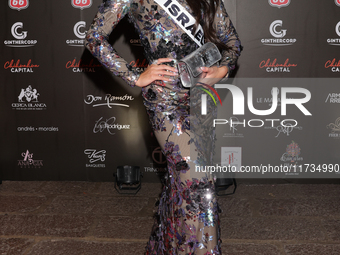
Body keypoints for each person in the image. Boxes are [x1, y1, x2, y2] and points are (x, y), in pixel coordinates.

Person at [85, 0, 241, 254]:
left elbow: (232, 40)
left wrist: (223, 68)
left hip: (201, 99)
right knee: (198, 181)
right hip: (165, 102)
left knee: (184, 184)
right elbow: (94, 37)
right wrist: (134, 76)